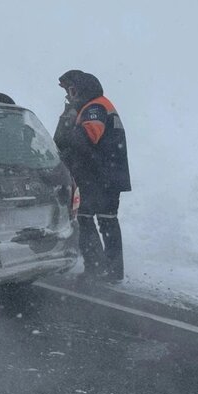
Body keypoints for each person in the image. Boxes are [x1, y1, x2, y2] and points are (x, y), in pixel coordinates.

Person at [54, 70, 131, 283]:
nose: (69, 96)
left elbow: (84, 140)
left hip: (98, 177)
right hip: (104, 176)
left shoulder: (95, 108)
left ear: (80, 89)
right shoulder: (99, 105)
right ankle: (112, 270)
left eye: (70, 90)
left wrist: (69, 120)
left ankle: (96, 269)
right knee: (107, 222)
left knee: (85, 220)